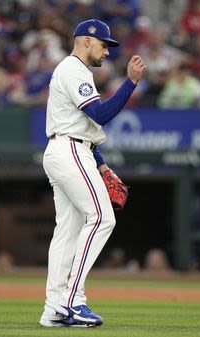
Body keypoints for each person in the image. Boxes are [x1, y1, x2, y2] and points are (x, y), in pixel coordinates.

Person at [39, 19, 146, 328]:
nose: (107, 52)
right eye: (104, 45)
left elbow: (85, 126)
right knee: (101, 218)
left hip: (71, 148)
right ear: (86, 41)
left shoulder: (76, 72)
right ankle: (73, 301)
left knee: (67, 232)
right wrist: (131, 83)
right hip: (69, 151)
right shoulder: (73, 69)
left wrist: (99, 163)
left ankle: (54, 308)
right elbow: (99, 114)